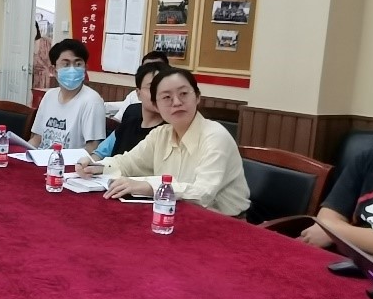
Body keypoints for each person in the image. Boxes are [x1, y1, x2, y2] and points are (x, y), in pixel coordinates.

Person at [76, 67, 250, 217]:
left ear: (197, 97)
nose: (177, 102)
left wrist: (148, 187)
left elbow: (202, 193)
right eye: (166, 97)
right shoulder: (160, 134)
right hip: (173, 213)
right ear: (156, 105)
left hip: (224, 223)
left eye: (183, 94)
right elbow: (128, 162)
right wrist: (96, 166)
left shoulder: (215, 137)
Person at [29, 38, 105, 153]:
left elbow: (93, 148)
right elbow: (36, 139)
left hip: (69, 163)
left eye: (78, 64)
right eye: (66, 64)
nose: (72, 69)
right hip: (40, 159)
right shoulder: (49, 96)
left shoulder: (92, 101)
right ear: (53, 70)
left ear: (85, 69)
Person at [298, 148, 373, 256]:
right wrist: (334, 231)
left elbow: (327, 229)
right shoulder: (368, 159)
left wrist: (335, 233)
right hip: (350, 257)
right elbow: (325, 221)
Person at [90, 61, 166, 160]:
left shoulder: (170, 130)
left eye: (163, 88)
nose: (158, 93)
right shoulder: (131, 115)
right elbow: (100, 152)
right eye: (152, 87)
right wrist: (89, 162)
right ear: (138, 93)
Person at [105, 50, 169, 122]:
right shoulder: (133, 98)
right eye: (147, 68)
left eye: (157, 68)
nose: (152, 73)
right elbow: (117, 120)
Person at [32, 19, 52, 90]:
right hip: (29, 76)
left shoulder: (44, 42)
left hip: (43, 77)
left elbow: (49, 62)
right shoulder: (24, 45)